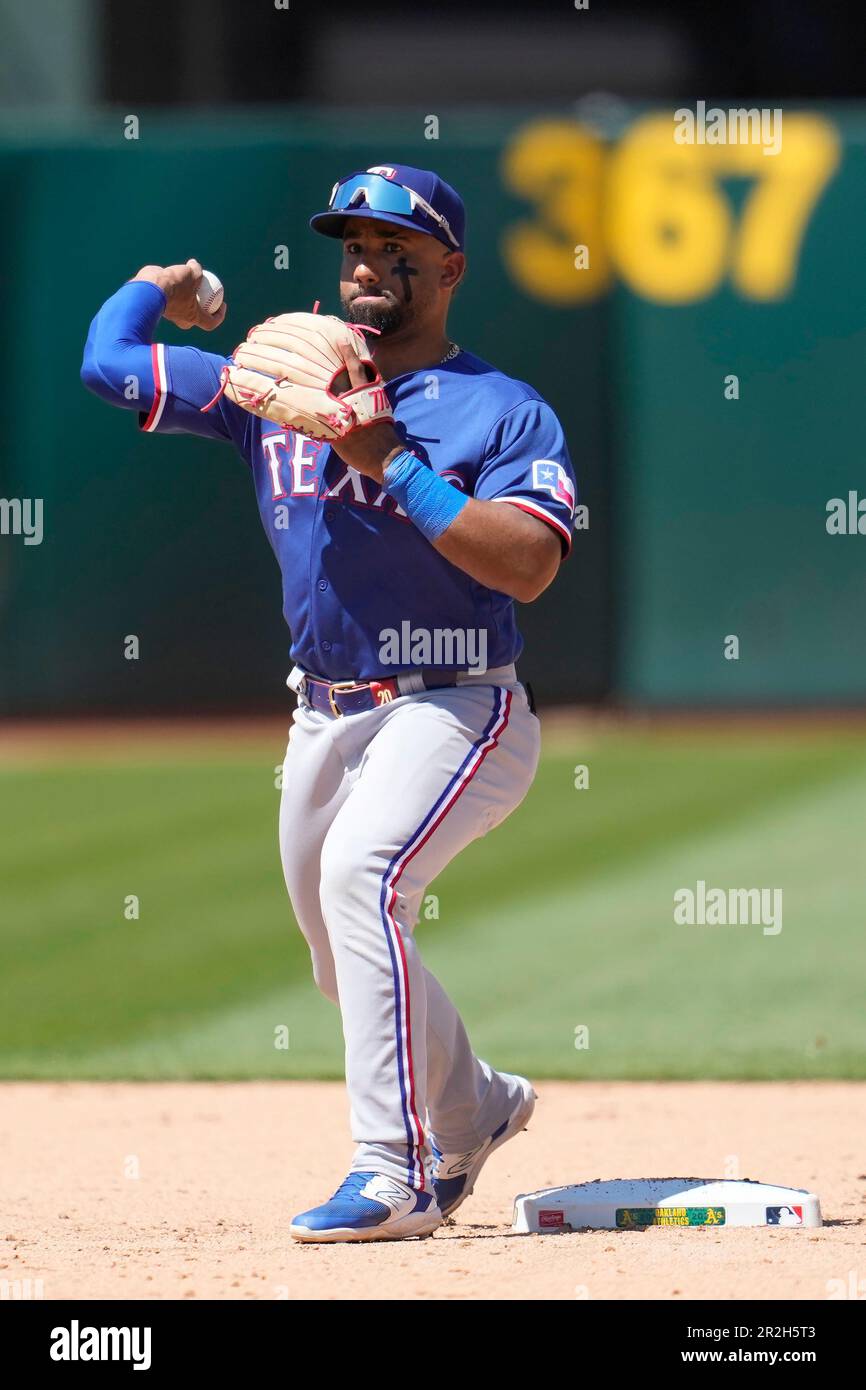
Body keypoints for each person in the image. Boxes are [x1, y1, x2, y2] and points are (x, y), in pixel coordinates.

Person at [81, 163, 577, 1243]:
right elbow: (104, 365)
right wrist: (155, 282)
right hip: (322, 711)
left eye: (396, 250)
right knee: (335, 954)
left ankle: (393, 1172)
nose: (368, 265)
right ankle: (477, 1104)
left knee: (363, 879)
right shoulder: (280, 384)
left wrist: (388, 458)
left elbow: (528, 563)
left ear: (447, 269)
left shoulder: (501, 409)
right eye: (354, 246)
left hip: (457, 700)